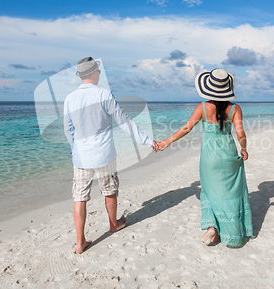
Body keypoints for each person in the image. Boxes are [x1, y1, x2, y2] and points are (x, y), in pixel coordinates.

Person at [64, 57, 159, 254]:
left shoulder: (69, 98)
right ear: (93, 73)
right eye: (98, 71)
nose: (99, 74)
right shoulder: (104, 94)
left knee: (79, 197)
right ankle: (113, 224)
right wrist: (148, 141)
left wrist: (75, 148)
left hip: (81, 157)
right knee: (110, 190)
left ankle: (80, 242)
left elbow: (68, 130)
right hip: (104, 154)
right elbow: (125, 123)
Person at [158, 69, 253, 247]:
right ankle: (230, 233)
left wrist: (168, 141)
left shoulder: (202, 107)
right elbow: (240, 133)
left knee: (210, 191)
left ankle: (212, 228)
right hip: (229, 154)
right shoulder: (235, 108)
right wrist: (244, 149)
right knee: (230, 192)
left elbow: (187, 128)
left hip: (209, 156)